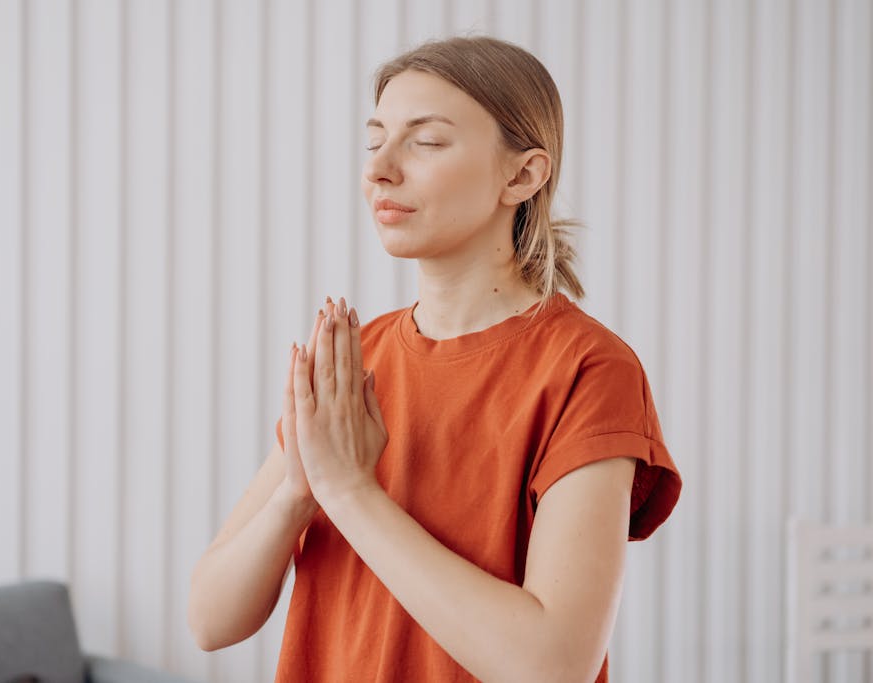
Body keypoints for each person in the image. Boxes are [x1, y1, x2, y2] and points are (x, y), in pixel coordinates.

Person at [188, 36, 681, 683]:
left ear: (524, 174)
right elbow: (209, 619)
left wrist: (350, 488)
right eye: (375, 141)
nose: (380, 170)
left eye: (425, 141)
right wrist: (298, 492)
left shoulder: (589, 369)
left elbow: (553, 664)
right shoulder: (354, 359)